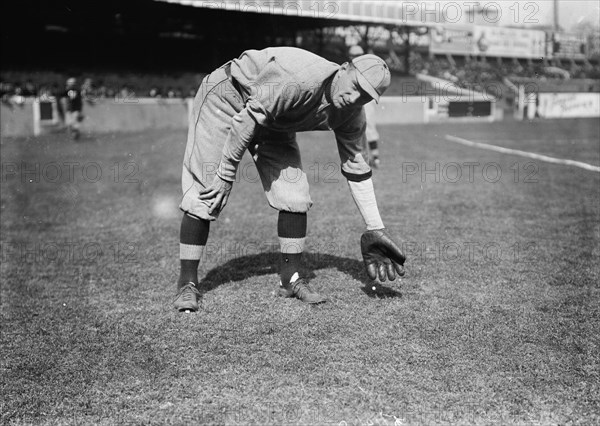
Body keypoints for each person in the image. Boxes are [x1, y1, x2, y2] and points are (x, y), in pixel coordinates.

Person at [174, 47, 406, 312]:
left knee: (295, 196)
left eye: (365, 96)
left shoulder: (352, 112)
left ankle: (291, 279)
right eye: (355, 86)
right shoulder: (297, 78)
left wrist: (374, 226)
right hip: (228, 97)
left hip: (273, 118)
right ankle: (187, 282)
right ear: (344, 69)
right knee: (207, 191)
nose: (355, 97)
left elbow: (356, 166)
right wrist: (226, 173)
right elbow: (248, 119)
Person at [349, 45, 381, 168]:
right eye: (354, 56)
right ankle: (360, 158)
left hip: (367, 100)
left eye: (358, 55)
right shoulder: (350, 68)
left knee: (369, 128)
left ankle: (375, 158)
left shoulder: (369, 67)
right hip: (355, 100)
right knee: (355, 129)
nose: (356, 58)